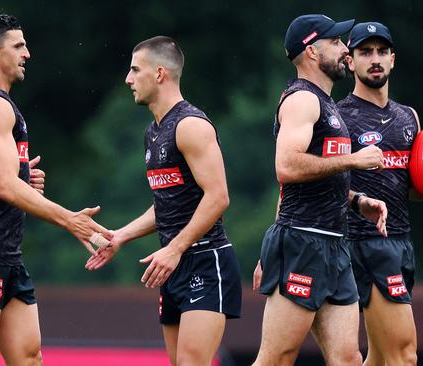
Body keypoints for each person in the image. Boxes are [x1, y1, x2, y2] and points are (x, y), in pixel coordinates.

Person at [0, 10, 112, 366]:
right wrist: (68, 219)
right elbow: (4, 188)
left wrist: (19, 178)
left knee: (28, 357)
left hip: (5, 251)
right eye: (19, 45)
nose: (27, 53)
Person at [85, 36, 242, 366]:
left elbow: (218, 197)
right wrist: (121, 236)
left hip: (206, 261)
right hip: (172, 266)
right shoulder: (153, 132)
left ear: (159, 74)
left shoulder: (190, 125)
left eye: (134, 70)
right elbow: (168, 205)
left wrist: (175, 248)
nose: (128, 79)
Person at [252, 15, 390, 365]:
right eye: (336, 42)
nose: (346, 49)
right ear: (312, 51)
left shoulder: (327, 103)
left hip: (334, 243)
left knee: (347, 358)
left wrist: (357, 201)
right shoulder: (302, 100)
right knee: (277, 358)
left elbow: (316, 176)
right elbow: (287, 166)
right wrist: (353, 161)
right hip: (301, 241)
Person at [338, 21, 419, 365]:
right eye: (365, 52)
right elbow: (320, 187)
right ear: (351, 61)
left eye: (382, 52)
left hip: (401, 241)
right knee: (403, 355)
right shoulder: (339, 117)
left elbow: (413, 186)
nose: (375, 59)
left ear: (393, 59)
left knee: (380, 358)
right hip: (364, 243)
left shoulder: (410, 117)